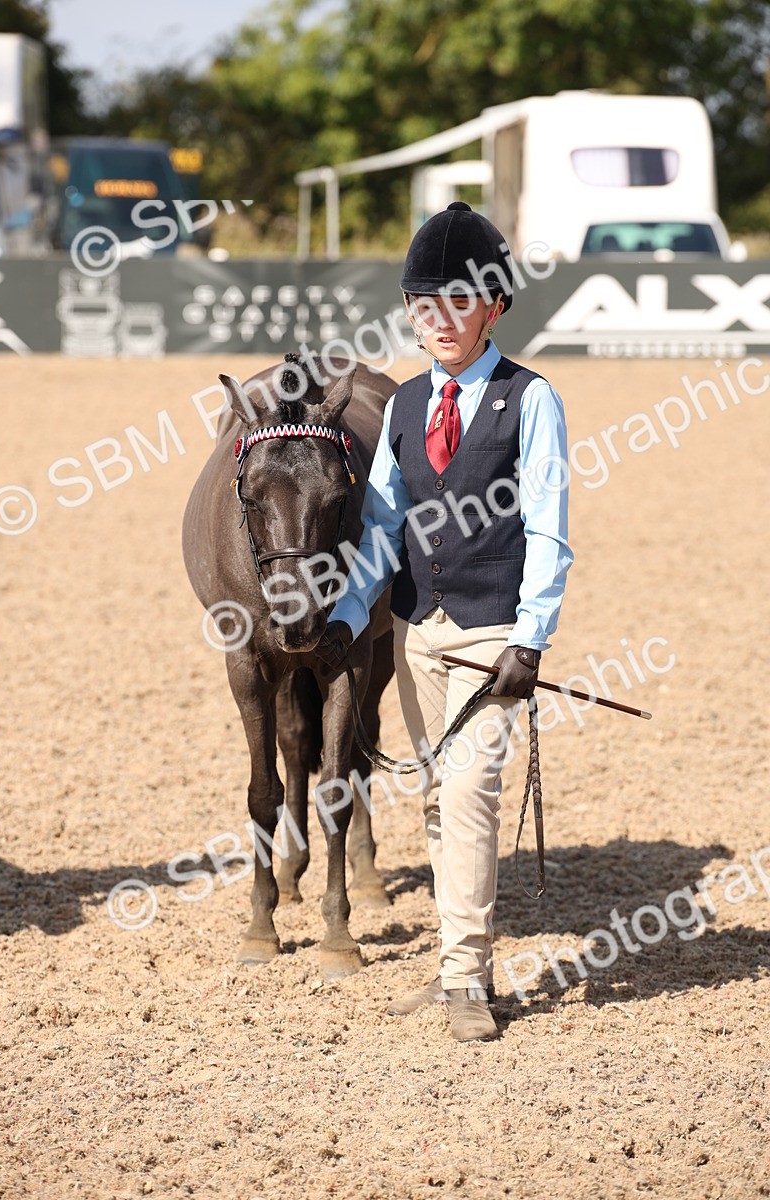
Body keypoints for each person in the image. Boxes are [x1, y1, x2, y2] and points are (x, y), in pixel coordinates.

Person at [315, 202, 573, 1042]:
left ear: (493, 305)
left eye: (459, 304)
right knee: (434, 796)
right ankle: (456, 963)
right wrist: (349, 617)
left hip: (493, 636)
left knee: (466, 798)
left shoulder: (530, 401)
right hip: (417, 631)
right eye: (426, 306)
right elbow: (384, 528)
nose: (441, 322)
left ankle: (466, 976)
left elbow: (550, 530)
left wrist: (529, 639)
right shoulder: (403, 406)